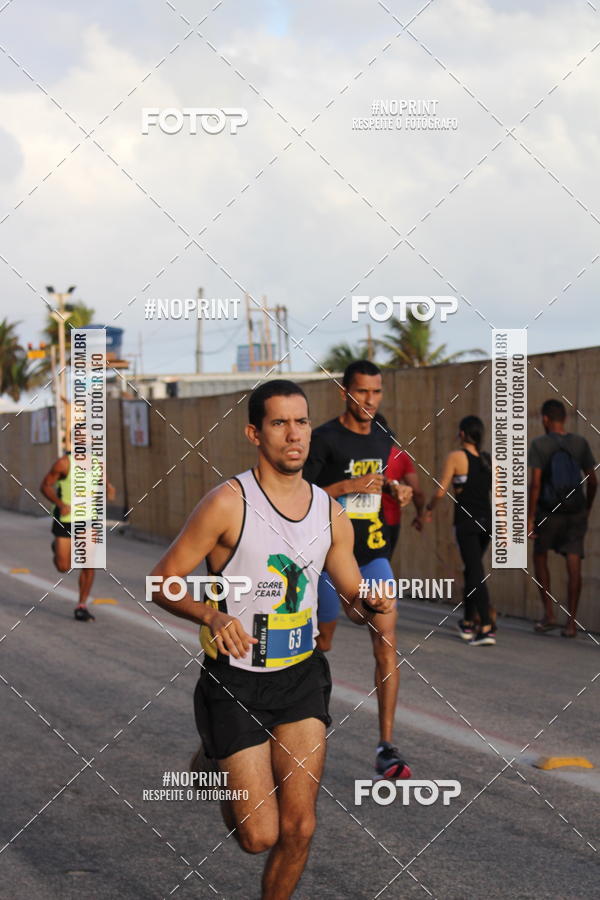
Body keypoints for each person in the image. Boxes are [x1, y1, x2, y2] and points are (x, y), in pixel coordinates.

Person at [148, 380, 394, 900]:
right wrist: (211, 616)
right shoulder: (227, 503)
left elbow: (349, 596)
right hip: (235, 681)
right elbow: (161, 581)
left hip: (301, 676)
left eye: (301, 421)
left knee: (299, 828)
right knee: (259, 835)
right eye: (279, 423)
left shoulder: (331, 515)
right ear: (254, 433)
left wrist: (369, 604)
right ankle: (215, 757)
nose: (293, 434)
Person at [303, 361, 413, 780]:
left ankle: (386, 745)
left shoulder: (384, 435)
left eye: (376, 392)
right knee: (322, 642)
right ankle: (296, 718)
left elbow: (382, 478)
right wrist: (345, 488)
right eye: (361, 392)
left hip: (373, 552)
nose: (369, 400)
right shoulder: (326, 438)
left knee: (386, 636)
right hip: (330, 557)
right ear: (344, 392)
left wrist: (395, 488)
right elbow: (300, 496)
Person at [528, 399, 597, 638]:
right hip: (575, 512)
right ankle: (571, 623)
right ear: (564, 419)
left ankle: (549, 613)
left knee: (539, 556)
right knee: (574, 562)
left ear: (545, 419)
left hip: (549, 512)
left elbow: (535, 484)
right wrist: (586, 509)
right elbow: (593, 481)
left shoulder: (539, 444)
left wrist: (530, 518)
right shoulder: (580, 443)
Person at [425, 416, 494, 647]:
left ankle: (485, 627)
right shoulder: (487, 459)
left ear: (462, 434)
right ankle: (467, 622)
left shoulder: (456, 457)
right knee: (472, 569)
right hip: (487, 522)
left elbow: (440, 491)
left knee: (475, 571)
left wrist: (428, 509)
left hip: (467, 523)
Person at [41, 449, 115, 621]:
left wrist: (109, 490)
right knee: (63, 566)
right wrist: (59, 504)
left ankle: (81, 605)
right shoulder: (64, 463)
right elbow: (45, 485)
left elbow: (103, 485)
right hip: (65, 519)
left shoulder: (98, 463)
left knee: (89, 563)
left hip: (88, 520)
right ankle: (58, 548)